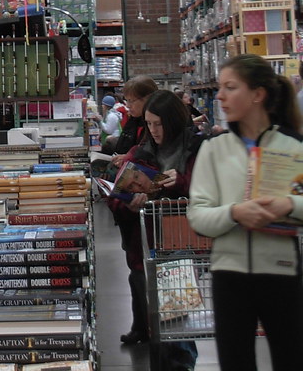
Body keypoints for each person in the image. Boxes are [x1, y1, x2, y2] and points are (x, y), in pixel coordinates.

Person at [188, 54, 303, 371]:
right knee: (235, 362)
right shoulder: (213, 149)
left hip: (282, 272)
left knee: (292, 359)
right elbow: (198, 216)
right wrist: (235, 213)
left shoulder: (294, 147)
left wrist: (289, 204)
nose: (220, 96)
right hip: (229, 277)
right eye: (220, 88)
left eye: (230, 87)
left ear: (257, 94)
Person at [107, 90, 203, 363]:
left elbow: (208, 191)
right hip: (146, 248)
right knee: (158, 332)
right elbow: (115, 198)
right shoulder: (141, 153)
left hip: (182, 246)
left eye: (159, 123)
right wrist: (129, 204)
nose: (154, 130)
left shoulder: (197, 150)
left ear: (174, 121)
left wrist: (180, 183)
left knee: (178, 327)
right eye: (149, 124)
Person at [109, 76, 158, 159]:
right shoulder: (133, 121)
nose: (128, 105)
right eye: (126, 100)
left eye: (131, 101)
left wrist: (130, 158)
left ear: (147, 99)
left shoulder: (156, 125)